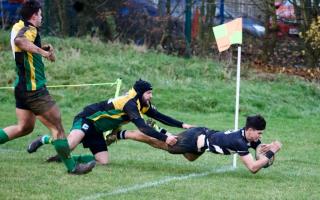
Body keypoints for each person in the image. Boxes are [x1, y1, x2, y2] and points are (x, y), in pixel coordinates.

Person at [0, 0, 95, 174]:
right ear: (34, 15)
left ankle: (60, 154)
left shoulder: (18, 26)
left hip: (21, 87)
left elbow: (20, 46)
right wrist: (44, 53)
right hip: (34, 90)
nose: (42, 17)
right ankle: (73, 167)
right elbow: (20, 42)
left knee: (24, 127)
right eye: (41, 14)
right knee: (57, 128)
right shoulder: (29, 29)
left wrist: (40, 47)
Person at [27, 79, 194, 164]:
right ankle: (44, 139)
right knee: (69, 145)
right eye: (149, 93)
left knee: (103, 162)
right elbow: (142, 128)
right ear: (141, 93)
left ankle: (64, 158)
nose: (151, 96)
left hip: (97, 130)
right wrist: (165, 138)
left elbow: (160, 116)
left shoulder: (142, 103)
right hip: (87, 119)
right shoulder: (130, 104)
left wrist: (183, 125)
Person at [107, 115, 282, 174]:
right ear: (250, 130)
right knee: (158, 143)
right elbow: (253, 168)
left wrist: (264, 149)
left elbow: (259, 153)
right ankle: (122, 133)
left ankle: (161, 131)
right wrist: (271, 152)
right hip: (195, 139)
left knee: (190, 158)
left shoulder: (249, 137)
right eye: (259, 133)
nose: (259, 136)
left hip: (200, 139)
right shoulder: (239, 142)